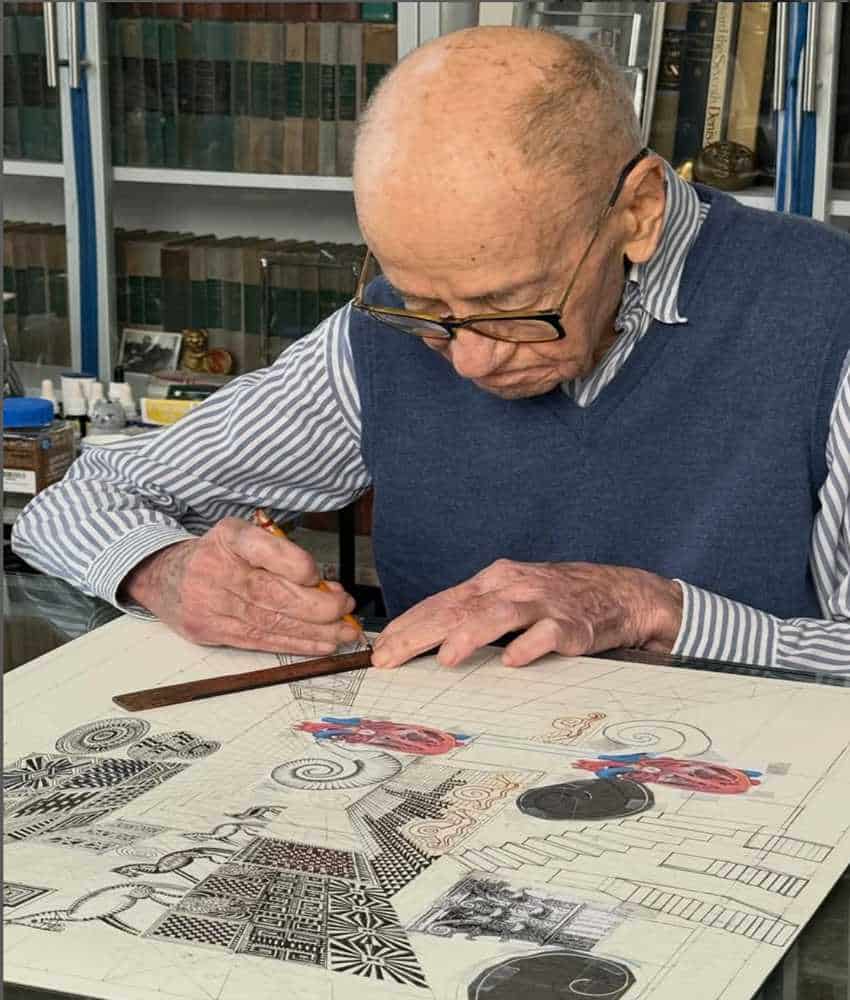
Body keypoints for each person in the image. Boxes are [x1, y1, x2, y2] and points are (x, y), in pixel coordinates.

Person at [12, 27, 850, 675]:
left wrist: (658, 610)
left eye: (510, 307)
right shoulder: (391, 332)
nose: (469, 363)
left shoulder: (827, 314)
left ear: (637, 212)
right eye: (426, 306)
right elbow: (82, 494)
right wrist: (166, 570)